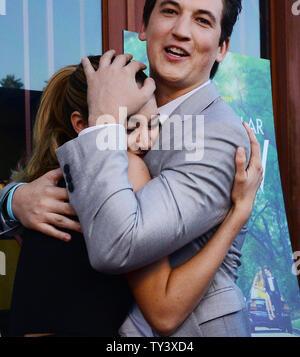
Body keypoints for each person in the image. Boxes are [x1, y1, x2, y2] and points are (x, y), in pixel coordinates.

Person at [1, 0, 264, 336]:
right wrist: (15, 199)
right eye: (170, 11)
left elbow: (118, 246)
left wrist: (105, 121)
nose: (181, 31)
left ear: (222, 47)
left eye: (202, 20)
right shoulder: (130, 101)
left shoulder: (218, 135)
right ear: (144, 26)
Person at [8, 57, 261, 337]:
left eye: (152, 125)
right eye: (129, 127)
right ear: (82, 124)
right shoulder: (129, 168)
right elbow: (165, 312)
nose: (145, 141)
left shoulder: (54, 179)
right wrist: (238, 213)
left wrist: (12, 198)